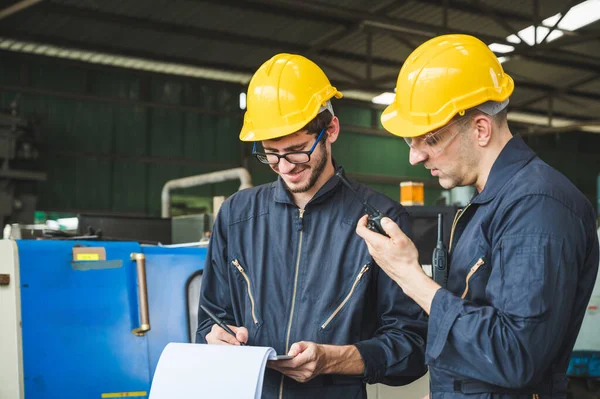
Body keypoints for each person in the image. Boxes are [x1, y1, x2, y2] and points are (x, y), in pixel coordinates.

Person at [356, 34, 600, 399]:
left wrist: (410, 276)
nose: (415, 157)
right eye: (411, 142)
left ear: (481, 129)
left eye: (431, 140)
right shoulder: (493, 202)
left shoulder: (537, 206)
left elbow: (515, 355)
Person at [196, 53, 428, 398]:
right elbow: (209, 319)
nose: (284, 166)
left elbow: (411, 345)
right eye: (271, 154)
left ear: (330, 130)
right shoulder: (237, 215)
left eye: (297, 150)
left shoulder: (381, 220)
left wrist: (336, 360)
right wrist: (215, 337)